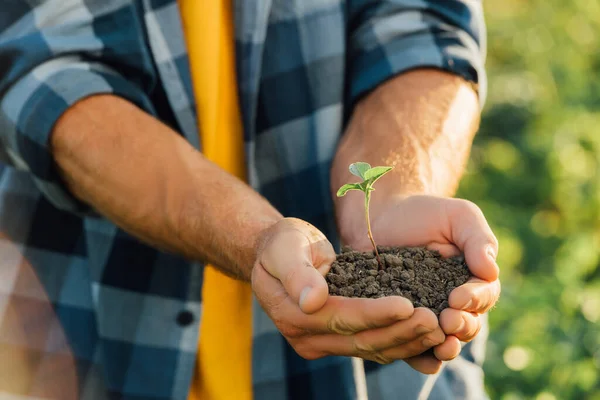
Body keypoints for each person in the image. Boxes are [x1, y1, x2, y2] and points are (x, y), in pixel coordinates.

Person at [0, 0, 500, 399]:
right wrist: (256, 236)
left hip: (366, 375)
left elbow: (422, 25)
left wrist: (398, 188)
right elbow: (52, 78)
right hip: (85, 335)